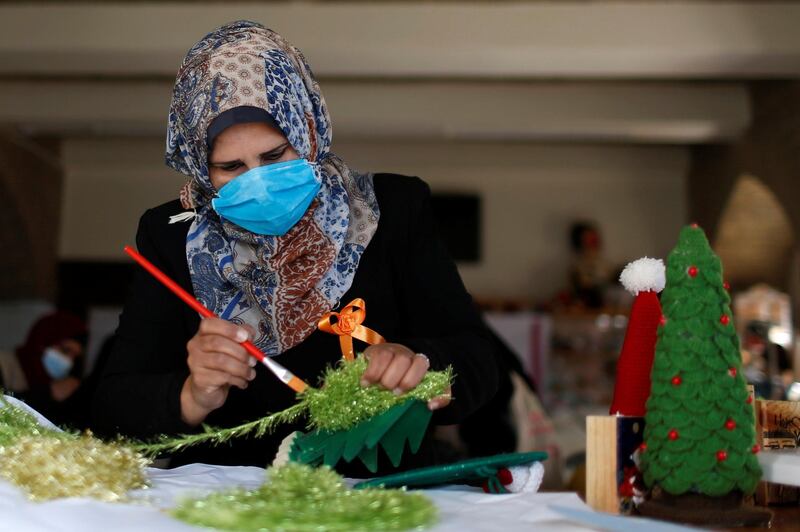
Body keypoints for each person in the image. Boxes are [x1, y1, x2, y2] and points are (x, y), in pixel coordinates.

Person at [93, 21, 498, 472]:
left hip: (377, 493)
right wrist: (191, 396)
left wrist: (421, 363)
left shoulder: (392, 210)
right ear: (200, 170)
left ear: (307, 131)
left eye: (275, 156)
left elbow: (481, 362)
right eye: (230, 167)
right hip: (231, 499)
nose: (258, 183)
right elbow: (114, 408)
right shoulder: (171, 237)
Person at [3, 311, 88, 426]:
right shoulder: (5, 364)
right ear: (43, 341)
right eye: (65, 350)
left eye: (74, 357)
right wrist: (47, 393)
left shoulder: (56, 380)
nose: (69, 361)